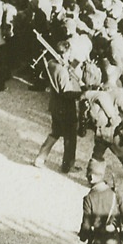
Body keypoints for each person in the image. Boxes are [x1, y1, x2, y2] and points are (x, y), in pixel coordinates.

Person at [35, 39, 81, 173]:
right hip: (66, 107)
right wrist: (81, 94)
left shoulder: (51, 64)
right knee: (70, 137)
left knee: (55, 132)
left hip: (54, 105)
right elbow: (67, 92)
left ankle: (40, 158)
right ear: (65, 53)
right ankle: (68, 165)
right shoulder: (62, 71)